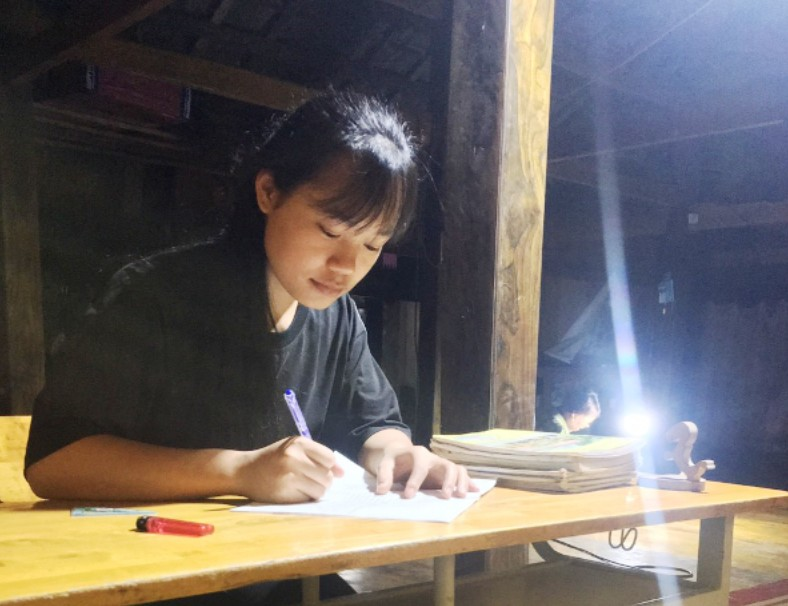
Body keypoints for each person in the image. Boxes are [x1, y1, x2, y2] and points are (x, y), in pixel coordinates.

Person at [25, 91, 476, 604]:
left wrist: (398, 456)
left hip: (285, 577)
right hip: (165, 580)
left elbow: (373, 423)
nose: (347, 266)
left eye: (374, 244)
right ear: (268, 192)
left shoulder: (338, 317)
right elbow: (54, 461)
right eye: (330, 230)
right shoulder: (158, 297)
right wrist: (240, 471)